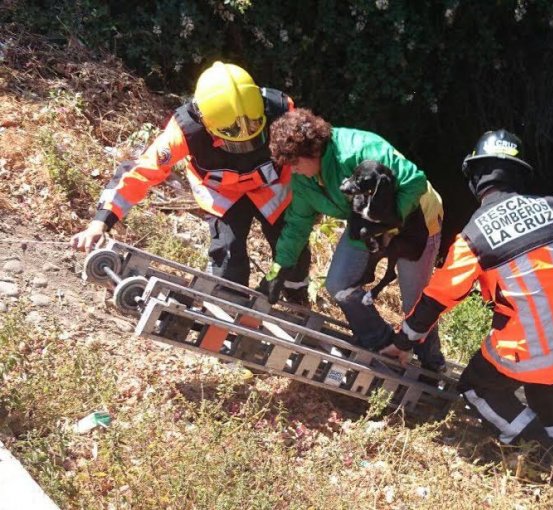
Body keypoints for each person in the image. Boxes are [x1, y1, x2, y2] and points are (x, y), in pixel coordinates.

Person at [381, 130, 553, 463]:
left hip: (530, 350)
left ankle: (540, 452)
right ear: (519, 174)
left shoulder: (475, 236)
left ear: (476, 179)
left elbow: (439, 296)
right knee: (547, 381)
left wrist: (404, 341)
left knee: (475, 386)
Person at [70, 61, 311, 299]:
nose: (244, 146)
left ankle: (298, 299)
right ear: (206, 123)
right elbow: (141, 172)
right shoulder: (186, 130)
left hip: (272, 191)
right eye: (233, 140)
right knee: (228, 260)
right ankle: (228, 311)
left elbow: (313, 154)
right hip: (224, 196)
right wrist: (100, 222)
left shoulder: (280, 109)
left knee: (294, 256)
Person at [265, 108, 445, 370]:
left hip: (418, 220)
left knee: (415, 306)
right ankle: (382, 342)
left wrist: (392, 216)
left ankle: (432, 364)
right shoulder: (305, 180)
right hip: (366, 224)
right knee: (339, 282)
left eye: (295, 164)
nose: (293, 171)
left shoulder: (359, 149)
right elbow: (297, 223)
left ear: (313, 151)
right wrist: (279, 266)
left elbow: (415, 181)